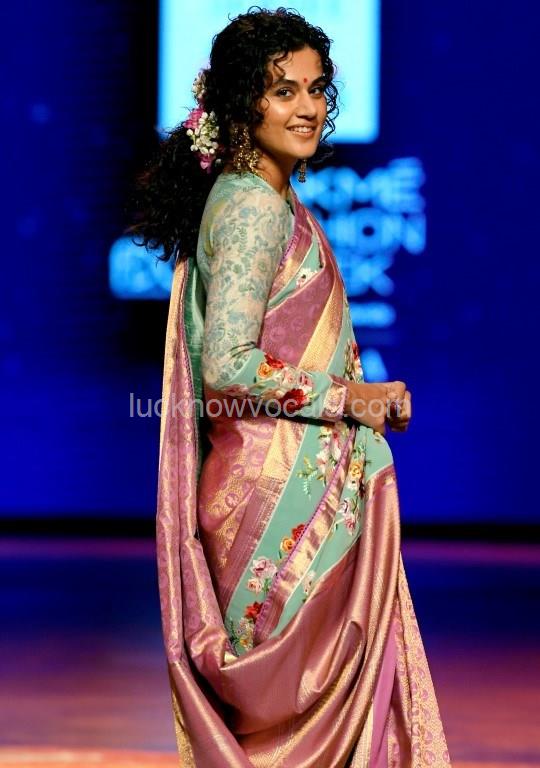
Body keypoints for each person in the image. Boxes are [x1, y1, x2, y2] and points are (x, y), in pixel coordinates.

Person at [128, 7, 452, 766]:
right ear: (243, 103)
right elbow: (228, 364)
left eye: (316, 89)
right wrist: (352, 399)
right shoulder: (251, 206)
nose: (307, 108)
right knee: (293, 734)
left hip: (286, 484)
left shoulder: (267, 197)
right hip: (273, 498)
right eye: (283, 91)